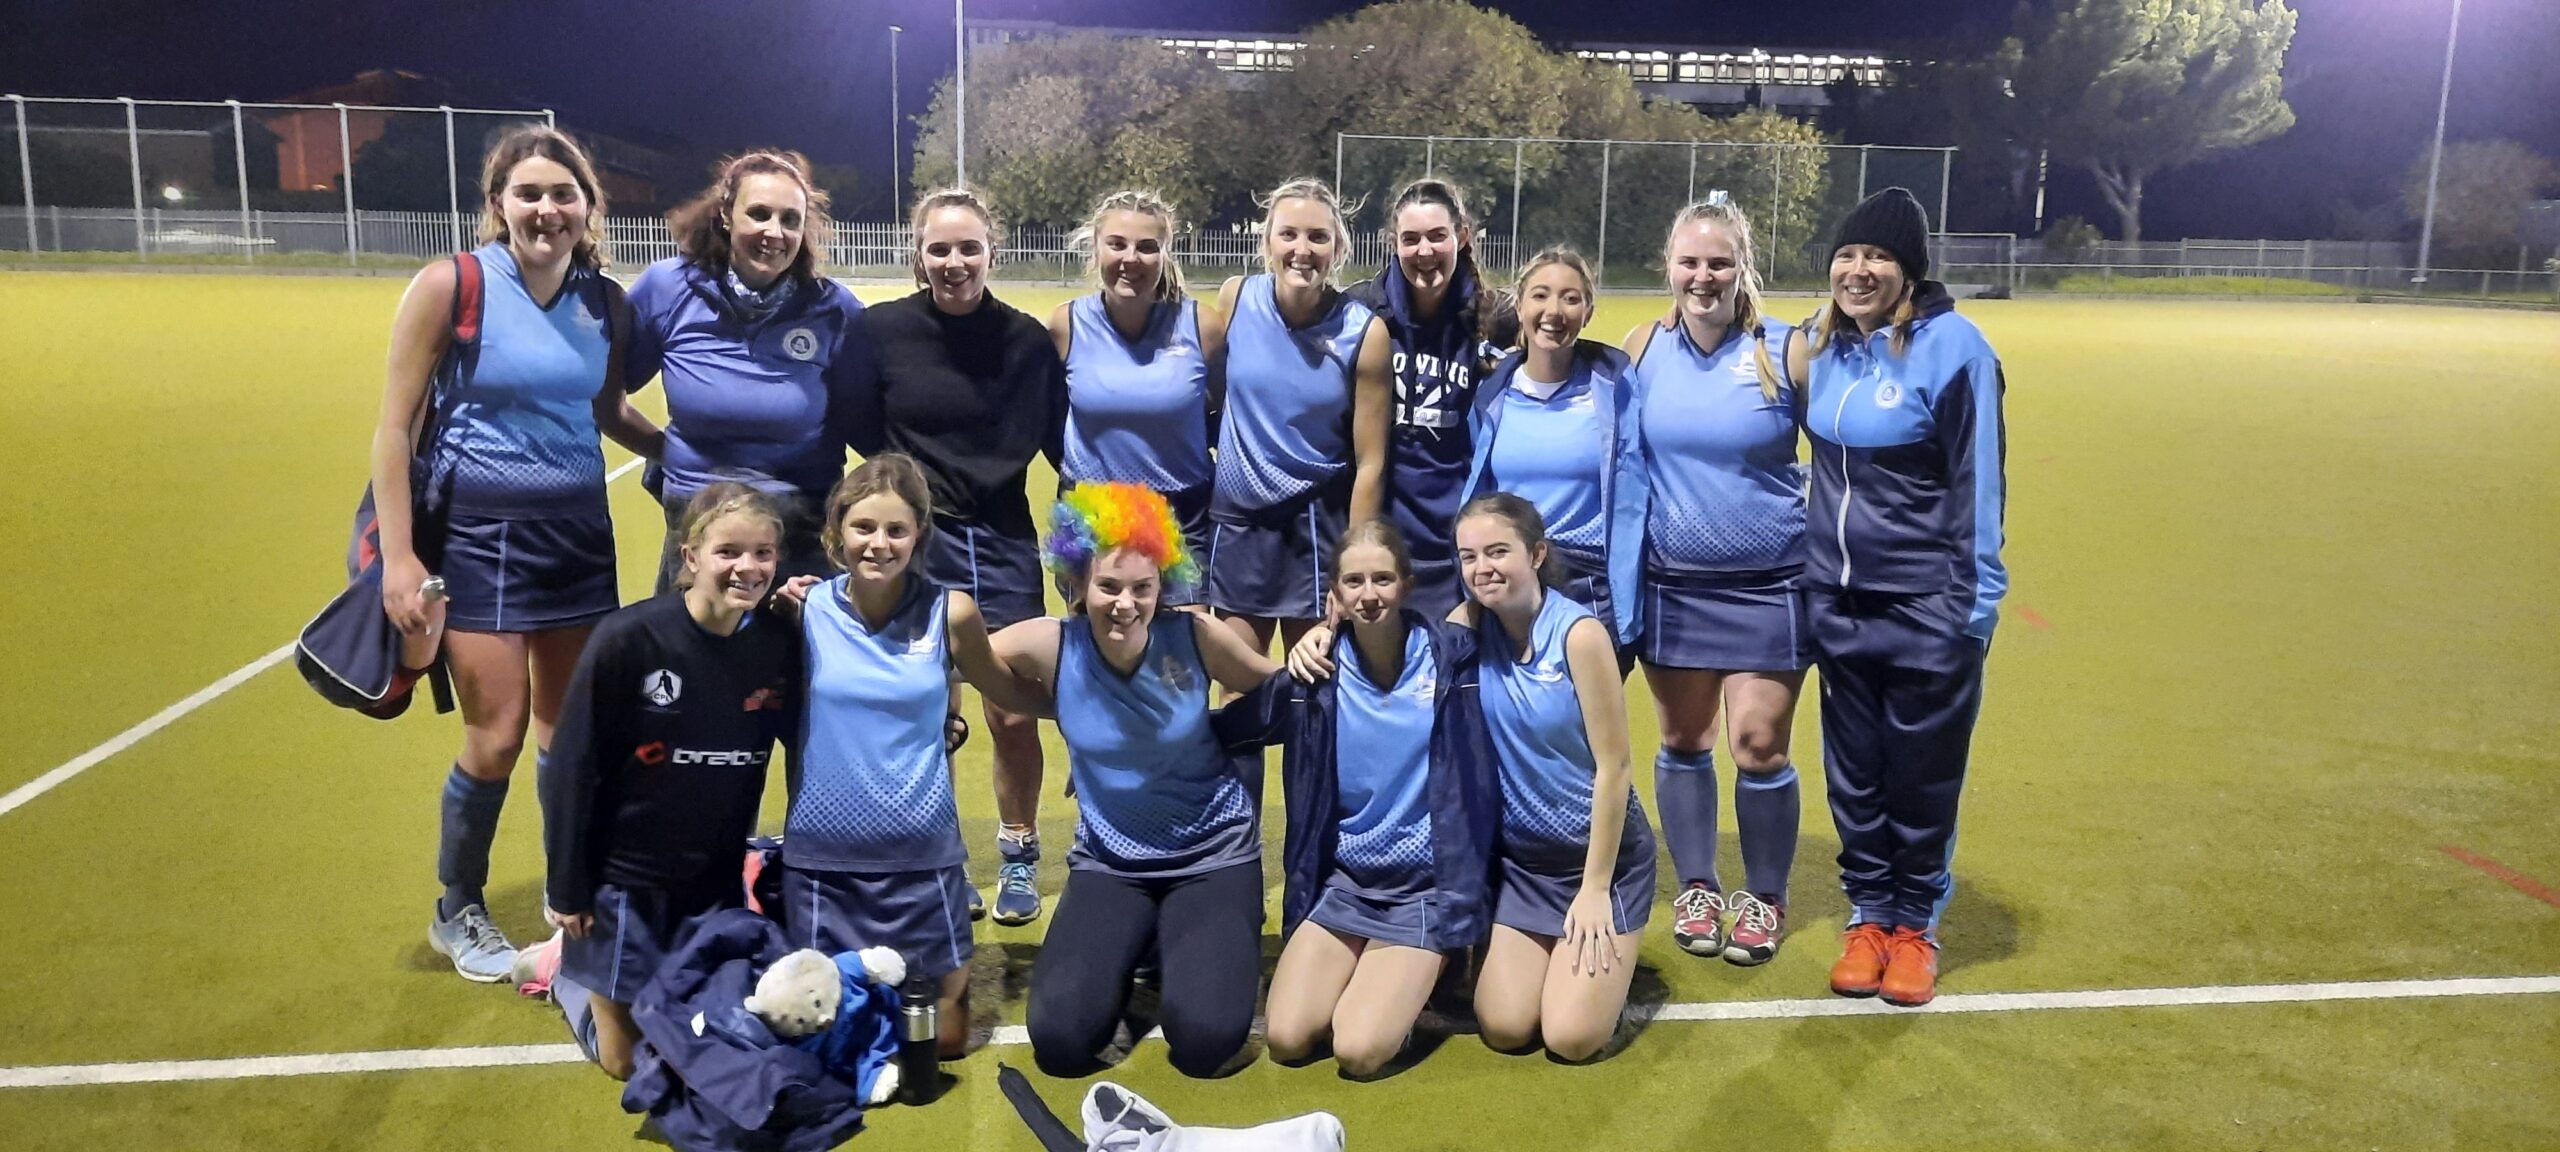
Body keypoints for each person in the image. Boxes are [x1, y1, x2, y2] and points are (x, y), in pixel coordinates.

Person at [370, 125, 651, 983]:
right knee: (496, 736)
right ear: (498, 204)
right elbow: (394, 427)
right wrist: (400, 558)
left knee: (571, 739)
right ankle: (457, 906)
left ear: (588, 207)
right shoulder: (453, 285)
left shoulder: (606, 302)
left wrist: (688, 455)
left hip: (579, 538)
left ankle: (573, 897)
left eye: (564, 194)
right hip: (480, 540)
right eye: (529, 194)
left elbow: (607, 411)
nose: (546, 210)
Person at [1787, 187, 2008, 1009]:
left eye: (1877, 256)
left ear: (1909, 269)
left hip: (1927, 607)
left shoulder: (1958, 350)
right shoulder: (1824, 344)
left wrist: (1972, 609)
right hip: (1838, 606)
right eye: (1847, 255)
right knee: (1855, 778)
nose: (1858, 270)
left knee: (1922, 778)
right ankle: (1869, 918)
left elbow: (1979, 485)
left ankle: (1915, 927)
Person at [982, 484, 1284, 1080]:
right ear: (1077, 582)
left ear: (1162, 585)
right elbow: (954, 657)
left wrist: (1323, 644)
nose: (1126, 603)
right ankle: (1146, 943)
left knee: (1204, 1043)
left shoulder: (1195, 635)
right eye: (1109, 586)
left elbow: (1279, 686)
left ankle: (1200, 937)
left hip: (1212, 855)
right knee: (1060, 1041)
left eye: (1142, 588)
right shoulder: (1050, 643)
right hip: (1111, 863)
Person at [769, 453, 1050, 1058]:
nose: (879, 544)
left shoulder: (952, 613)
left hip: (922, 860)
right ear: (837, 530)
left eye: (896, 529)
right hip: (825, 864)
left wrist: (1103, 709)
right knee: (829, 1042)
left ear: (919, 533)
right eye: (863, 527)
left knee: (940, 1043)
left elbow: (1009, 693)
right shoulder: (802, 610)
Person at [526, 484, 800, 1080]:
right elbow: (572, 766)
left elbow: (808, 746)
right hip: (624, 884)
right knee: (628, 1065)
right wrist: (567, 886)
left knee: (706, 1037)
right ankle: (563, 972)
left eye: (763, 553)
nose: (748, 568)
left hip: (714, 880)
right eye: (728, 551)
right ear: (690, 556)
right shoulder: (630, 639)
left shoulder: (779, 644)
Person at [856, 188, 1069, 926]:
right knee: (925, 713)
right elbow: (860, 427)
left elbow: (1060, 445)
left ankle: (1018, 854)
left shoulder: (1028, 341)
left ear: (991, 252)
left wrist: (1087, 549)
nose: (954, 262)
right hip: (916, 545)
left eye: (968, 248)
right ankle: (939, 858)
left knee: (1010, 713)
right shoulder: (881, 331)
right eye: (939, 248)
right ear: (918, 254)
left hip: (1004, 539)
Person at [1220, 520, 1500, 1078]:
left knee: (1358, 1050)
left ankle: (1435, 958)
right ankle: (1384, 972)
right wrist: (1134, 751)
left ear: (1407, 585)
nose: (1369, 595)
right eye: (1354, 581)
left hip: (1426, 890)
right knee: (1288, 1038)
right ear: (1335, 594)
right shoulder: (1314, 676)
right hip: (1344, 884)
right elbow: (1231, 729)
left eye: (1383, 579)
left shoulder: (1454, 661)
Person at [1623, 200, 1811, 965]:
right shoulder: (1643, 348)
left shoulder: (1787, 349)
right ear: (1669, 266)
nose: (1703, 276)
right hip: (1674, 584)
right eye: (1690, 262)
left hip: (1771, 584)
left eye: (1719, 262)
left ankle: (1764, 895)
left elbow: (1842, 454)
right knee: (1683, 740)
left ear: (1742, 268)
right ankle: (1697, 887)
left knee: (1758, 744)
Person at [1453, 494, 1653, 1063]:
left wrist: (1595, 889)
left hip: (1600, 861)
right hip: (1525, 866)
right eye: (1469, 556)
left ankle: (1610, 973)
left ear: (1537, 554)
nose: (1482, 568)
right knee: (1505, 1026)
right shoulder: (1470, 625)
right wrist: (1329, 629)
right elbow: (1400, 644)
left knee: (1570, 1038)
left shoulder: (1579, 635)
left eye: (1498, 551)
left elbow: (1615, 768)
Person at [624, 149, 877, 592]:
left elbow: (863, 423)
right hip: (700, 530)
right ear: (726, 214)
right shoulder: (667, 288)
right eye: (759, 214)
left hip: (799, 533)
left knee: (793, 640)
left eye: (790, 220)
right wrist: (672, 454)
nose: (774, 232)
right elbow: (604, 395)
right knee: (688, 638)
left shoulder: (835, 310)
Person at [1203, 177, 1393, 655]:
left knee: (1313, 681)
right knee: (1238, 683)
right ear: (1268, 242)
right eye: (1288, 234)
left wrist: (1353, 564)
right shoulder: (1236, 299)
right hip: (1239, 522)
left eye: (1318, 237)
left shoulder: (1363, 333)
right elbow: (1216, 398)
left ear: (1338, 248)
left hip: (1315, 526)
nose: (1301, 250)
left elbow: (1371, 462)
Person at [1457, 246, 1646, 657]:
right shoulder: (1490, 396)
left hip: (1589, 585)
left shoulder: (1615, 388)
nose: (1554, 311)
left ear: (1588, 312)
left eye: (1570, 298)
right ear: (1520, 306)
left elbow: (1633, 495)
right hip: (1511, 578)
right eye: (1540, 295)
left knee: (1590, 699)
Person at [1345, 179, 1515, 619]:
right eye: (1411, 239)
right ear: (1392, 243)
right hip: (1383, 545)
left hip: (1462, 547)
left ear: (1463, 237)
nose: (1424, 251)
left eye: (1438, 236)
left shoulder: (1497, 318)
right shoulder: (1359, 312)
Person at [1047, 189, 1220, 603]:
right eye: (1117, 244)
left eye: (1146, 247)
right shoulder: (1066, 325)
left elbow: (1226, 415)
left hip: (1181, 516)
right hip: (1092, 519)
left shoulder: (1201, 326)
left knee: (1182, 641)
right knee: (1094, 641)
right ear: (1096, 248)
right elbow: (1047, 419)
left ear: (1165, 254)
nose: (1131, 259)